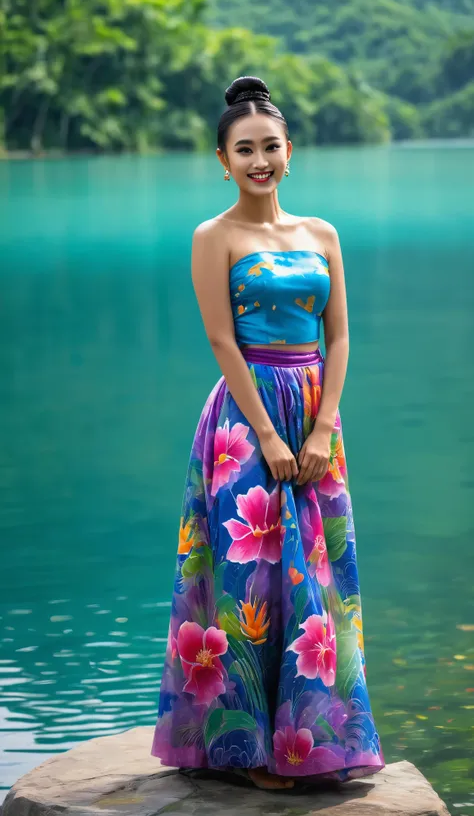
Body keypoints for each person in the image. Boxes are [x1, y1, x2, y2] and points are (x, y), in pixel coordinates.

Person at [150, 74, 385, 791]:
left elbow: (339, 335)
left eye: (270, 146)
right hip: (245, 420)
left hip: (316, 412)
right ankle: (249, 748)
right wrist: (271, 437)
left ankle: (317, 738)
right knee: (247, 580)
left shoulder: (322, 235)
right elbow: (222, 340)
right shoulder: (213, 236)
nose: (259, 160)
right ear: (222, 159)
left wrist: (323, 428)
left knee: (319, 578)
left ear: (290, 152)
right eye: (243, 149)